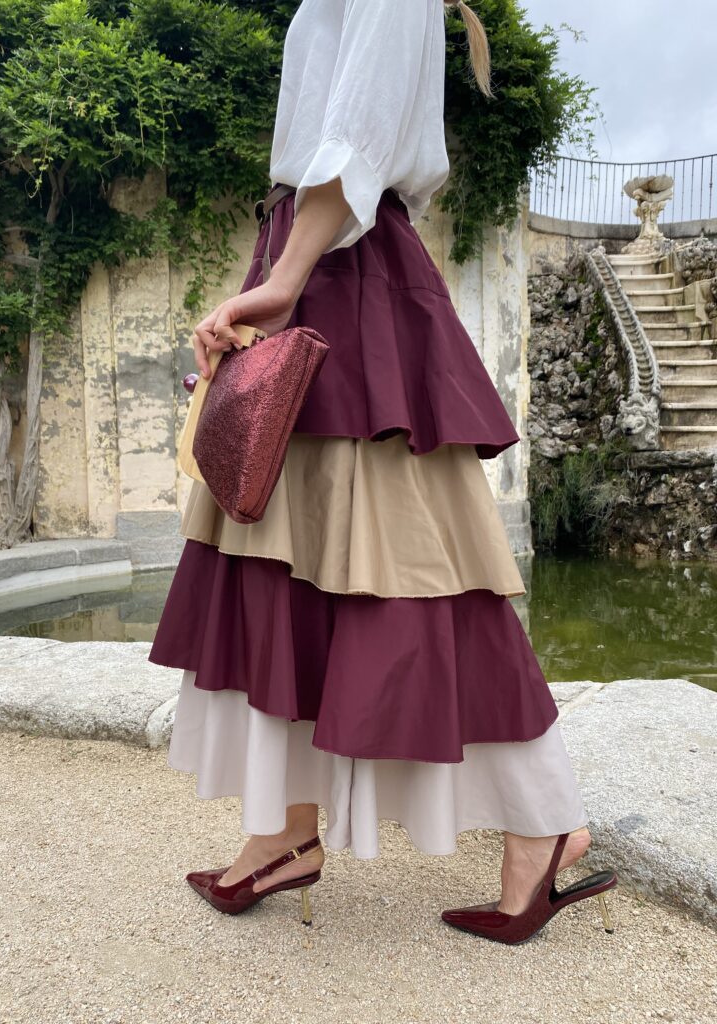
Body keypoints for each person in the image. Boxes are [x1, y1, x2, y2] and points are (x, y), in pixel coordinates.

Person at [148, 0, 618, 945]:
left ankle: (545, 824)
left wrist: (285, 277)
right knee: (278, 561)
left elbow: (355, 144)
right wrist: (283, 265)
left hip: (341, 278)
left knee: (417, 575)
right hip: (318, 266)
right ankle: (283, 831)